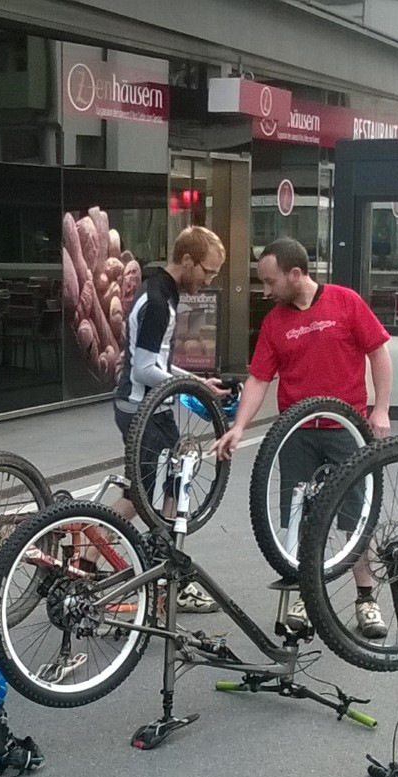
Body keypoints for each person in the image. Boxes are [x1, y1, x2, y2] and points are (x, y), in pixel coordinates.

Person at [214, 236, 393, 639]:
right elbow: (259, 378)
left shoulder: (345, 302)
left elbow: (379, 352)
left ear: (296, 274)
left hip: (346, 429)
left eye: (270, 281)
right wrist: (238, 426)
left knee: (356, 517)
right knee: (300, 517)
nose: (265, 291)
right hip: (296, 434)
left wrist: (381, 408)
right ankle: (304, 596)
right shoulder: (274, 323)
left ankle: (366, 598)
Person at [112, 225, 228, 613]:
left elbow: (156, 363)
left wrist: (196, 381)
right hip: (141, 409)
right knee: (141, 494)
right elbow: (145, 370)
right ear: (187, 261)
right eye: (208, 271)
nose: (209, 280)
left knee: (171, 483)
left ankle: (165, 573)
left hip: (151, 408)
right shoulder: (160, 301)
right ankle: (94, 555)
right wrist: (191, 387)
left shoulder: (160, 291)